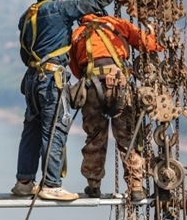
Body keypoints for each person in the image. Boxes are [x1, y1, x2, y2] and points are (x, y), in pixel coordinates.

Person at [13, 0, 138, 201]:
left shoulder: (27, 15)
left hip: (31, 80)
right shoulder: (60, 9)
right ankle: (51, 184)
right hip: (51, 80)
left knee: (32, 129)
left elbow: (24, 53)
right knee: (55, 128)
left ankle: (24, 181)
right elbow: (97, 1)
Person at [69, 13, 161, 201]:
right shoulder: (118, 24)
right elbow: (149, 45)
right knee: (127, 136)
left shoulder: (77, 34)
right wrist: (153, 32)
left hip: (91, 86)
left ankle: (93, 185)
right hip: (119, 85)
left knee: (95, 136)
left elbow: (76, 70)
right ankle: (136, 187)